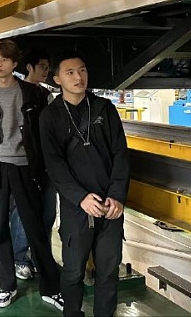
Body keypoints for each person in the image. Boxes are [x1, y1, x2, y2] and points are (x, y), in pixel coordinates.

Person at [0, 39, 63, 310]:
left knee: (35, 227)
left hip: (27, 167)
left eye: (4, 60)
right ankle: (6, 286)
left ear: (14, 64)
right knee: (0, 228)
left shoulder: (32, 93)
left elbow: (44, 133)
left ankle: (50, 287)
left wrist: (45, 167)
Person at [40, 51, 130, 317]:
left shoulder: (104, 109)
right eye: (70, 72)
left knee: (108, 271)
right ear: (57, 79)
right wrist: (80, 197)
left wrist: (117, 196)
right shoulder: (50, 116)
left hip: (110, 206)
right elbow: (54, 165)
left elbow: (120, 154)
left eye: (82, 70)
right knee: (73, 271)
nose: (78, 77)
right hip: (76, 208)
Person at [11, 47, 57, 280]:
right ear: (29, 67)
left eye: (48, 68)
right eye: (42, 67)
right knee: (23, 212)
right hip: (23, 162)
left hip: (46, 163)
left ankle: (41, 257)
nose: (45, 71)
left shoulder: (47, 96)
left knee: (48, 213)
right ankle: (20, 258)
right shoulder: (16, 92)